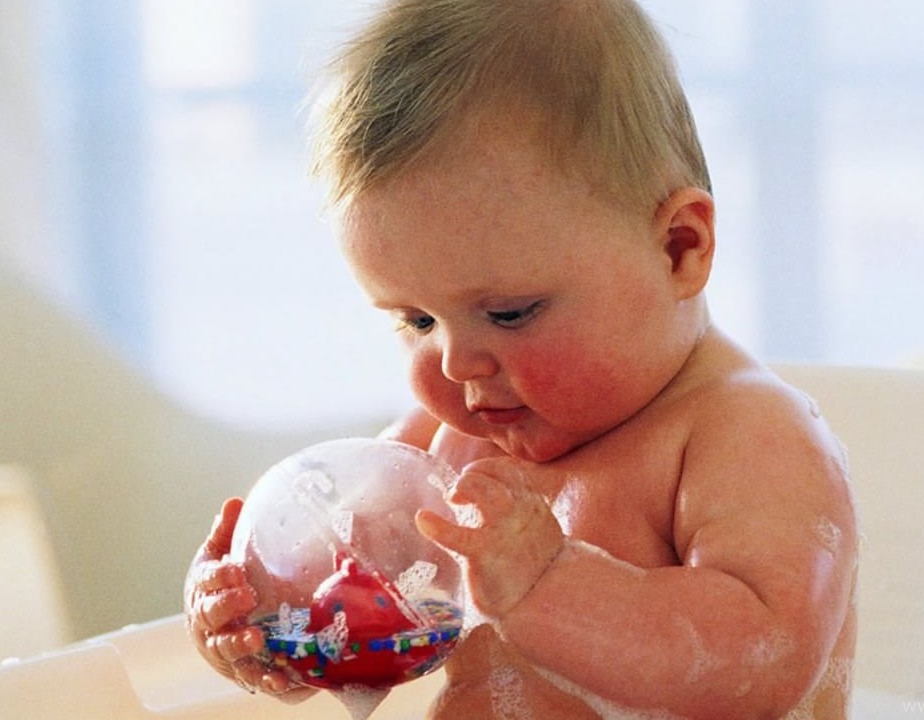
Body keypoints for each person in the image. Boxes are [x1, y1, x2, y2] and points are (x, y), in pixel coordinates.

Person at [184, 0, 858, 717]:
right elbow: (359, 620)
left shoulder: (745, 437)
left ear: (677, 249)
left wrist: (549, 583)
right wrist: (265, 618)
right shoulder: (443, 449)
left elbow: (763, 660)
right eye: (417, 320)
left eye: (509, 313)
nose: (456, 365)